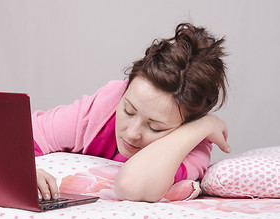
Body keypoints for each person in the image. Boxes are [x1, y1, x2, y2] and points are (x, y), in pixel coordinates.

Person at [32, 23, 231, 202]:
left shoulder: (192, 146)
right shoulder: (108, 103)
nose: (132, 133)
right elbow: (21, 134)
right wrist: (25, 171)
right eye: (128, 111)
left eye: (155, 127)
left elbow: (131, 187)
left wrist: (203, 126)